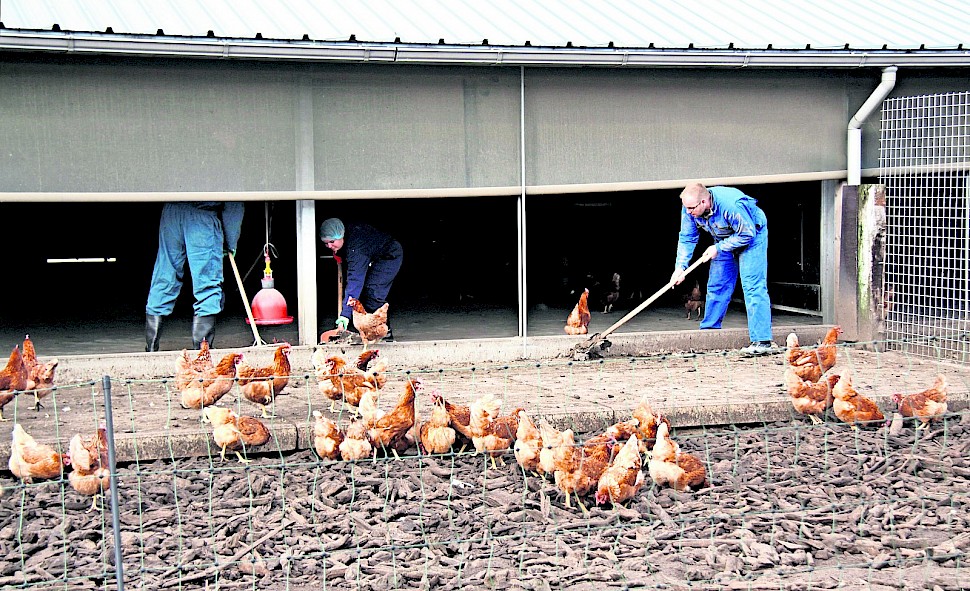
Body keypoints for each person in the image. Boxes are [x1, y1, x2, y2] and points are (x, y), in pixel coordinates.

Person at [670, 183, 774, 355]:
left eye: (691, 208)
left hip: (751, 236)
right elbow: (687, 237)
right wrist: (680, 268)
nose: (688, 212)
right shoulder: (689, 208)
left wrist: (719, 248)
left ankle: (762, 341)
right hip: (723, 238)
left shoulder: (731, 205)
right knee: (717, 284)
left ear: (704, 201)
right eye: (686, 208)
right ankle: (709, 335)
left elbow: (747, 234)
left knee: (752, 285)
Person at [145, 201, 244, 352]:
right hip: (202, 216)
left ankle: (150, 349)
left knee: (164, 276)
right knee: (207, 283)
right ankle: (202, 354)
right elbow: (234, 204)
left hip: (171, 213)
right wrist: (230, 243)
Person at [320, 217, 403, 339]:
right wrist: (339, 254)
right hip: (373, 255)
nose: (329, 246)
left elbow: (355, 281)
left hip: (389, 255)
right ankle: (371, 330)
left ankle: (385, 333)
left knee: (373, 292)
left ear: (341, 235)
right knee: (363, 292)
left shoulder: (357, 248)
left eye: (332, 242)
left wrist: (344, 315)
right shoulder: (345, 237)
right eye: (326, 243)